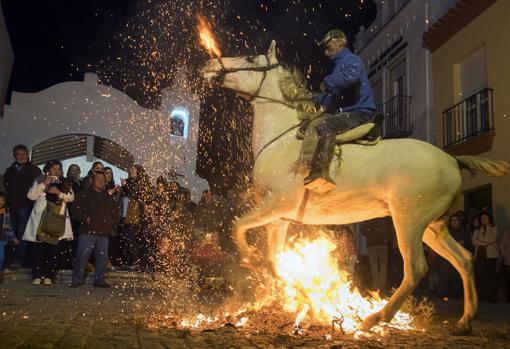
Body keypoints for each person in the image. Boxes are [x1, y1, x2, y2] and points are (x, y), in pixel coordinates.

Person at [297, 29, 375, 193]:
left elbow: (351, 76)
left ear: (340, 41)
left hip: (359, 112)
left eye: (327, 45)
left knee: (325, 126)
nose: (326, 52)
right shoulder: (339, 65)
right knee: (315, 123)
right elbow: (332, 98)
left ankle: (321, 172)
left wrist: (328, 82)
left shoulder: (351, 59)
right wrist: (312, 98)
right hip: (348, 111)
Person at [23, 160, 74, 286]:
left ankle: (49, 276)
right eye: (54, 168)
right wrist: (43, 184)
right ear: (48, 169)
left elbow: (71, 198)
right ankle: (37, 275)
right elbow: (31, 196)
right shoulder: (40, 179)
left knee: (53, 251)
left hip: (56, 220)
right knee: (38, 250)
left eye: (58, 168)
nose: (56, 171)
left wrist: (58, 193)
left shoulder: (65, 182)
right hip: (41, 219)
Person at [71, 171, 120, 288]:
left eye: (103, 179)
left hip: (103, 232)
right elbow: (75, 210)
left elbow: (115, 211)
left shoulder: (108, 197)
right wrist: (85, 219)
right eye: (98, 178)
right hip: (88, 231)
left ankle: (99, 279)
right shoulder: (84, 194)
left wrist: (112, 223)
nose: (101, 181)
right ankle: (77, 279)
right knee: (82, 256)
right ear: (92, 180)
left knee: (102, 257)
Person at [3, 144, 42, 268]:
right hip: (11, 205)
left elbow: (40, 187)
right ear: (14, 155)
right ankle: (10, 258)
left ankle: (19, 259)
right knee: (10, 233)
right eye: (19, 154)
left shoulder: (34, 170)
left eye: (24, 154)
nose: (21, 157)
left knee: (22, 234)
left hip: (25, 205)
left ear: (27, 155)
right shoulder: (10, 170)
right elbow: (6, 187)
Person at [471, 212, 499, 302]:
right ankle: (483, 296)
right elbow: (473, 241)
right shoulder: (477, 229)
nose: (483, 220)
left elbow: (493, 239)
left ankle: (492, 297)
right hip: (479, 255)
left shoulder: (494, 227)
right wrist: (485, 242)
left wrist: (480, 238)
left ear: (489, 218)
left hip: (491, 256)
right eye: (482, 218)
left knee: (491, 276)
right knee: (481, 276)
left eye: (485, 218)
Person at [361, 217, 392, 292]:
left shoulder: (370, 216)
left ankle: (376, 287)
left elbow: (363, 231)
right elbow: (391, 228)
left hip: (372, 244)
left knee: (373, 265)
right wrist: (386, 237)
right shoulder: (384, 217)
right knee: (383, 265)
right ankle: (381, 286)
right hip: (383, 243)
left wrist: (370, 233)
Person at [0, 192, 15, 283]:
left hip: (1, 238)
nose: (0, 202)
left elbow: (8, 226)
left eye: (2, 200)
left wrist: (13, 237)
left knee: (1, 257)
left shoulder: (5, 213)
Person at [500, 229, 510, 302]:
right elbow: (502, 245)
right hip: (508, 260)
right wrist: (505, 256)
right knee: (508, 279)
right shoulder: (507, 233)